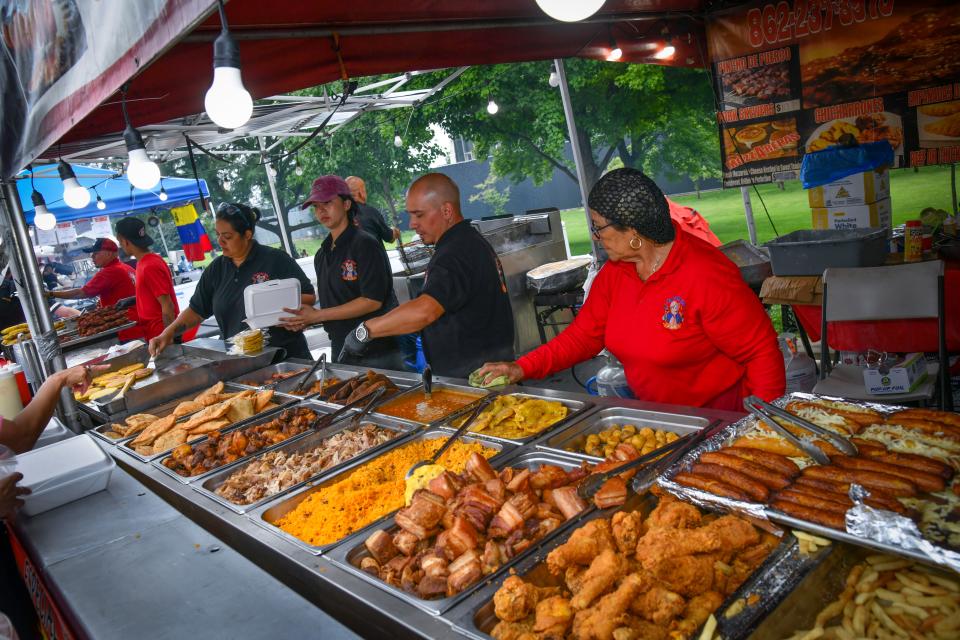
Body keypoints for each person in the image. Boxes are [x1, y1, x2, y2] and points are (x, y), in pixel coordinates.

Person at [477, 168, 785, 410]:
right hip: (660, 416)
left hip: (720, 415)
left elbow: (762, 354)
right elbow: (583, 336)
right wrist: (521, 367)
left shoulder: (706, 274)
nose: (595, 236)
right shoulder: (616, 273)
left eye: (599, 226)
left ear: (633, 231)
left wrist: (764, 429)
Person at [340, 173, 514, 378]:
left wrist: (365, 330)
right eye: (410, 215)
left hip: (476, 378)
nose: (412, 224)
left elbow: (425, 311)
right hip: (485, 368)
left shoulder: (455, 252)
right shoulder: (467, 239)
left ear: (447, 211)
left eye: (419, 215)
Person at [149, 202, 316, 360]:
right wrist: (168, 333)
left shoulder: (275, 259)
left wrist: (277, 308)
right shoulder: (216, 269)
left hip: (287, 357)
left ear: (247, 235)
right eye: (218, 235)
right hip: (240, 362)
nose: (220, 241)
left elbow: (308, 296)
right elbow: (196, 310)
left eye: (227, 236)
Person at [280, 176, 404, 369]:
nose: (321, 210)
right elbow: (334, 301)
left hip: (375, 347)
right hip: (340, 347)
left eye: (328, 203)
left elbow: (372, 300)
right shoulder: (322, 254)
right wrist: (306, 319)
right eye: (316, 206)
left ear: (346, 204)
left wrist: (318, 315)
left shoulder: (365, 244)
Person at [48, 237, 140, 340]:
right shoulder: (125, 267)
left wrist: (51, 294)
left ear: (108, 254)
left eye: (95, 254)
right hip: (137, 321)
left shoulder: (109, 272)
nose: (92, 257)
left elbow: (81, 293)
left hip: (127, 326)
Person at [114, 217, 182, 342]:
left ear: (125, 241)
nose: (121, 246)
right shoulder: (145, 262)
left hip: (161, 333)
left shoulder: (149, 266)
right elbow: (154, 295)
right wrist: (133, 300)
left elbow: (167, 306)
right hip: (155, 333)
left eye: (120, 242)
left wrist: (168, 339)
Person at [345, 176, 400, 243]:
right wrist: (395, 232)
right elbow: (389, 238)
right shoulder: (370, 212)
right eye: (364, 190)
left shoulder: (340, 215)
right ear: (360, 193)